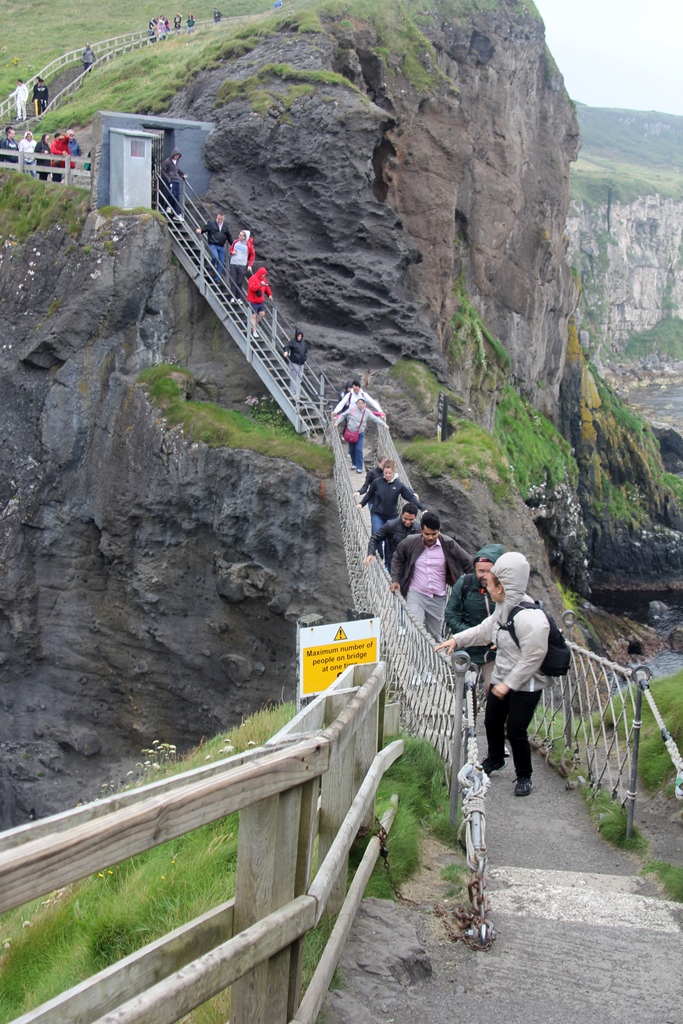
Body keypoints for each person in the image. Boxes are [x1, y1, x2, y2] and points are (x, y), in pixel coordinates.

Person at [436, 551, 552, 797]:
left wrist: (508, 684)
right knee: (491, 722)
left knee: (517, 730)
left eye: (492, 581)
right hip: (503, 676)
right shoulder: (502, 609)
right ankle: (496, 759)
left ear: (505, 585)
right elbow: (484, 630)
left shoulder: (530, 619)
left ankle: (524, 776)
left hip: (526, 683)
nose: (487, 586)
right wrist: (457, 639)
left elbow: (533, 658)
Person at [390, 512, 473, 643]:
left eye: (434, 534)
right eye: (426, 534)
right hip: (416, 593)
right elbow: (398, 558)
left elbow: (468, 562)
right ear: (421, 530)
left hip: (438, 596)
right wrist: (395, 579)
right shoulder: (410, 542)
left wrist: (471, 584)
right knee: (414, 630)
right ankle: (415, 662)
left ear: (439, 531)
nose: (430, 537)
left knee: (434, 636)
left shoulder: (448, 544)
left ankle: (432, 662)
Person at [444, 543, 505, 704]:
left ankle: (494, 726)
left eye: (489, 571)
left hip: (494, 652)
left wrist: (500, 637)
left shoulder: (504, 589)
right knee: (467, 694)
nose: (485, 576)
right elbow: (450, 614)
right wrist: (470, 635)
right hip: (467, 650)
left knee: (493, 691)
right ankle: (466, 727)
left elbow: (511, 617)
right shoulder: (464, 584)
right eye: (481, 571)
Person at [358, 459, 424, 533]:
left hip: (392, 516)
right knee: (377, 534)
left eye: (390, 473)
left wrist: (422, 508)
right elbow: (369, 494)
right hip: (377, 513)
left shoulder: (398, 485)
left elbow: (410, 497)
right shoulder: (377, 482)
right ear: (383, 472)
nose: (388, 475)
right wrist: (361, 504)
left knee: (390, 540)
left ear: (394, 472)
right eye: (386, 473)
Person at [365, 502, 420, 570]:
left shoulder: (419, 529)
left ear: (415, 517)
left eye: (411, 519)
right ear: (401, 514)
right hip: (395, 566)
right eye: (405, 518)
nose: (408, 522)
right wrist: (371, 553)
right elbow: (375, 538)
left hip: (412, 567)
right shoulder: (391, 525)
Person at [196, 211, 230, 283]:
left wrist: (232, 244)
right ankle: (211, 269)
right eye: (218, 218)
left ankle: (217, 279)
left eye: (221, 219)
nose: (219, 220)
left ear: (223, 219)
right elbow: (205, 228)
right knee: (215, 257)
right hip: (213, 244)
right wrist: (200, 230)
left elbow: (228, 236)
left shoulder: (225, 226)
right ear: (216, 217)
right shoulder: (211, 224)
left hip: (221, 246)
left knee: (221, 262)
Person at [228, 229, 255, 302]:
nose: (238, 236)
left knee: (239, 281)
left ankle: (238, 297)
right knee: (233, 280)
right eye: (239, 235)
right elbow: (230, 249)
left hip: (242, 265)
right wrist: (232, 252)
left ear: (244, 237)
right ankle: (232, 297)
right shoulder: (236, 242)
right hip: (233, 263)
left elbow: (252, 255)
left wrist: (249, 265)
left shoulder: (248, 245)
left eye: (240, 235)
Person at [283, 328, 309, 400]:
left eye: (300, 336)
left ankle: (298, 393)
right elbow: (287, 347)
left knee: (300, 378)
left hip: (301, 363)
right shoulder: (292, 342)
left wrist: (305, 358)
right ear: (296, 335)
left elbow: (306, 351)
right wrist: (286, 352)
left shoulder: (304, 343)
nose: (299, 337)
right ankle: (293, 393)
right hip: (294, 362)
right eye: (298, 336)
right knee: (294, 378)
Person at [160, 148, 186, 219]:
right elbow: (162, 170)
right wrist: (168, 178)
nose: (176, 157)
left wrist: (182, 174)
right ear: (173, 155)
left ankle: (176, 213)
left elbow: (177, 170)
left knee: (177, 197)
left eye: (178, 156)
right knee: (171, 195)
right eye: (176, 155)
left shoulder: (177, 162)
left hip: (177, 180)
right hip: (171, 180)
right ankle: (168, 207)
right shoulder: (167, 161)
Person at [246, 266, 272, 338]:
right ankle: (254, 331)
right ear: (259, 273)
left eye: (264, 274)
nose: (263, 276)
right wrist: (260, 285)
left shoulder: (264, 279)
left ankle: (252, 325)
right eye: (263, 274)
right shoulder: (252, 278)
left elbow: (267, 287)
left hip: (260, 301)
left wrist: (270, 294)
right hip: (252, 300)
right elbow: (252, 288)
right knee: (253, 316)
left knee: (262, 314)